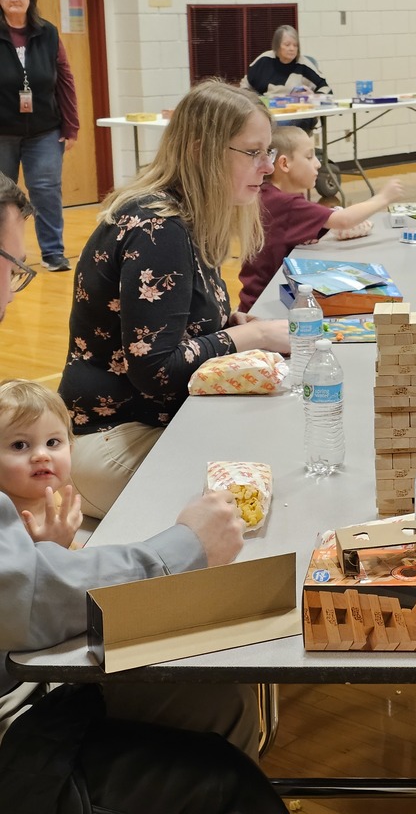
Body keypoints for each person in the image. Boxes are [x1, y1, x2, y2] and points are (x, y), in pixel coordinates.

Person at [0, 172, 287, 814]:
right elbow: (23, 600)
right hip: (17, 712)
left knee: (217, 680)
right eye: (14, 268)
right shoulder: (161, 229)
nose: (15, 295)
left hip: (25, 654)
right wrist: (179, 548)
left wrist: (38, 551)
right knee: (217, 760)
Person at [59, 80, 290, 519]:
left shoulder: (181, 216)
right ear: (203, 150)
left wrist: (230, 329)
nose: (268, 167)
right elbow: (157, 370)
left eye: (269, 152)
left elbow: (180, 326)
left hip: (135, 426)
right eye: (254, 153)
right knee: (276, 477)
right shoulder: (159, 227)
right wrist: (252, 336)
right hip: (112, 443)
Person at [238, 124, 404, 310]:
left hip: (259, 298)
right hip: (266, 304)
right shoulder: (284, 203)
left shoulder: (269, 194)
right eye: (309, 157)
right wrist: (383, 197)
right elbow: (343, 220)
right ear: (284, 164)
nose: (317, 163)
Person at [0, 0, 78, 272]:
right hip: (2, 130)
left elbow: (65, 81)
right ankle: (8, 256)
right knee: (3, 195)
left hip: (45, 129)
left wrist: (71, 124)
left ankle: (53, 252)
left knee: (46, 190)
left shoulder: (48, 32)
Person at [0, 379, 82, 548]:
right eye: (19, 445)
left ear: (71, 447)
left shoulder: (52, 496)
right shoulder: (5, 529)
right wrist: (51, 547)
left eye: (52, 442)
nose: (41, 455)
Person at [243, 24, 331, 133]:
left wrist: (313, 97)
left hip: (295, 114)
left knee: (277, 125)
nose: (292, 49)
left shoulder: (304, 65)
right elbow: (245, 88)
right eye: (287, 44)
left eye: (295, 45)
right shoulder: (264, 60)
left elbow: (327, 92)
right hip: (268, 111)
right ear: (277, 45)